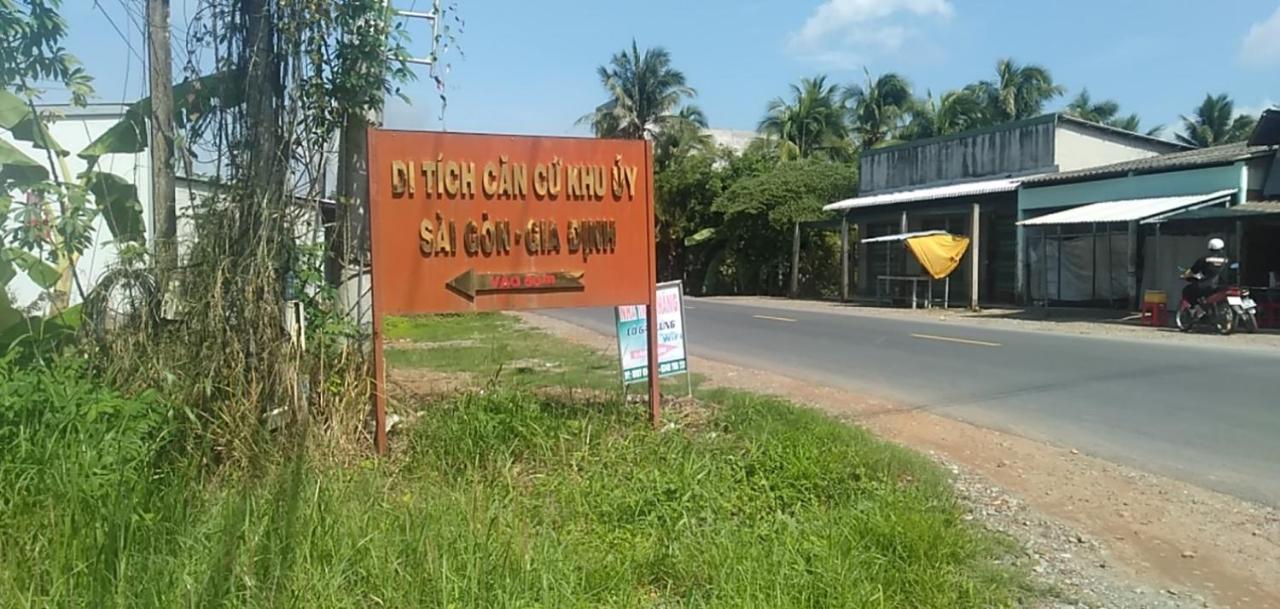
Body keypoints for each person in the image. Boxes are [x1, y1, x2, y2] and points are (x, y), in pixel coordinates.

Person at [1181, 238, 1229, 312]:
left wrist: (1184, 275)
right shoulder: (1226, 259)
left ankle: (1197, 309)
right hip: (1222, 285)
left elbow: (1193, 270)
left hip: (1207, 285)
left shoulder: (1205, 258)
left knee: (1187, 290)